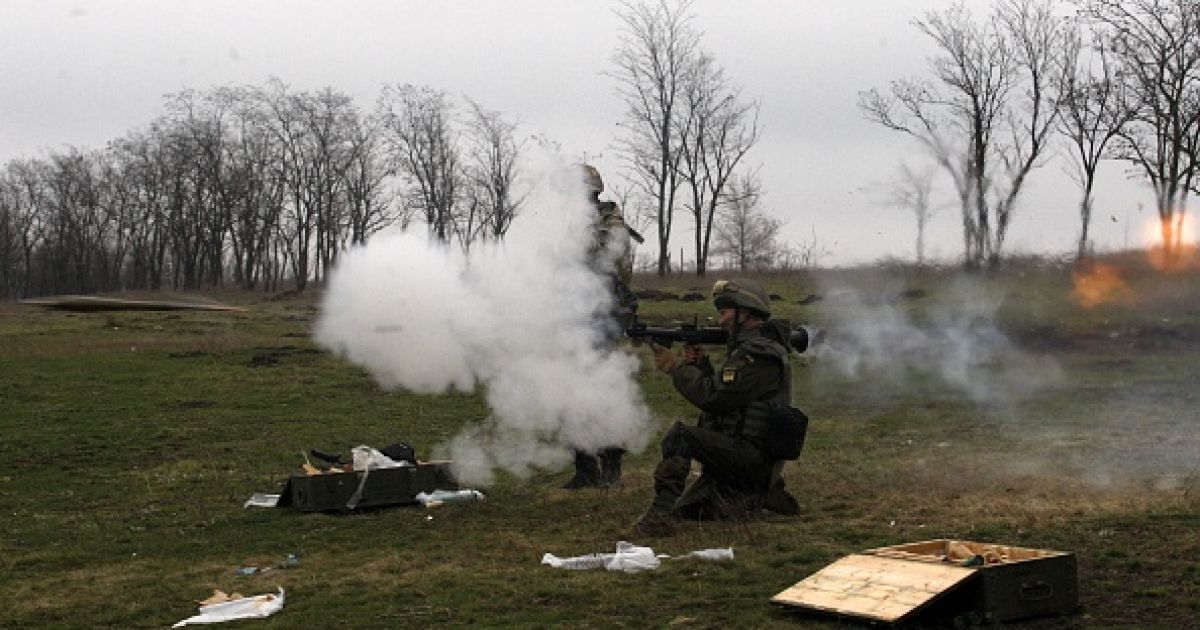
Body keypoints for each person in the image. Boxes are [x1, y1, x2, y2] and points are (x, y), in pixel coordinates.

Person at [635, 278, 800, 535]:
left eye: (724, 313)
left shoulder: (759, 355)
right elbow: (726, 400)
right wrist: (700, 366)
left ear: (745, 313)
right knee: (692, 511)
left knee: (681, 436)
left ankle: (658, 517)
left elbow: (714, 398)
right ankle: (759, 496)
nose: (721, 321)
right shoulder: (747, 350)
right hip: (742, 456)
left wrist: (677, 368)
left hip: (751, 457)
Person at [561, 164, 640, 489]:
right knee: (567, 388)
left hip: (604, 313)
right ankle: (584, 467)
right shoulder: (571, 222)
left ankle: (610, 466)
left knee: (604, 389)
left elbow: (608, 262)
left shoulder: (611, 224)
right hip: (575, 314)